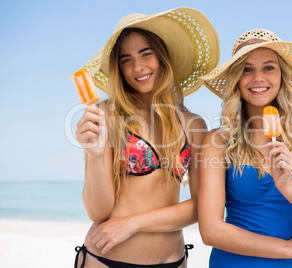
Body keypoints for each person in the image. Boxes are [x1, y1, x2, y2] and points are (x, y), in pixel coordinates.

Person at [73, 7, 219, 268]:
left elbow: (201, 207)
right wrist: (94, 155)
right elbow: (97, 212)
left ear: (162, 57)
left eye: (146, 54)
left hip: (172, 261)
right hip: (106, 259)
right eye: (126, 59)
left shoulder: (193, 125)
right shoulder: (104, 115)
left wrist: (133, 223)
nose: (137, 67)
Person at [197, 29, 292, 267]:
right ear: (236, 79)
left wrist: (287, 185)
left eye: (269, 67)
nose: (258, 78)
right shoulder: (217, 141)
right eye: (247, 69)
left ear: (283, 74)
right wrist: (289, 248)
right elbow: (211, 231)